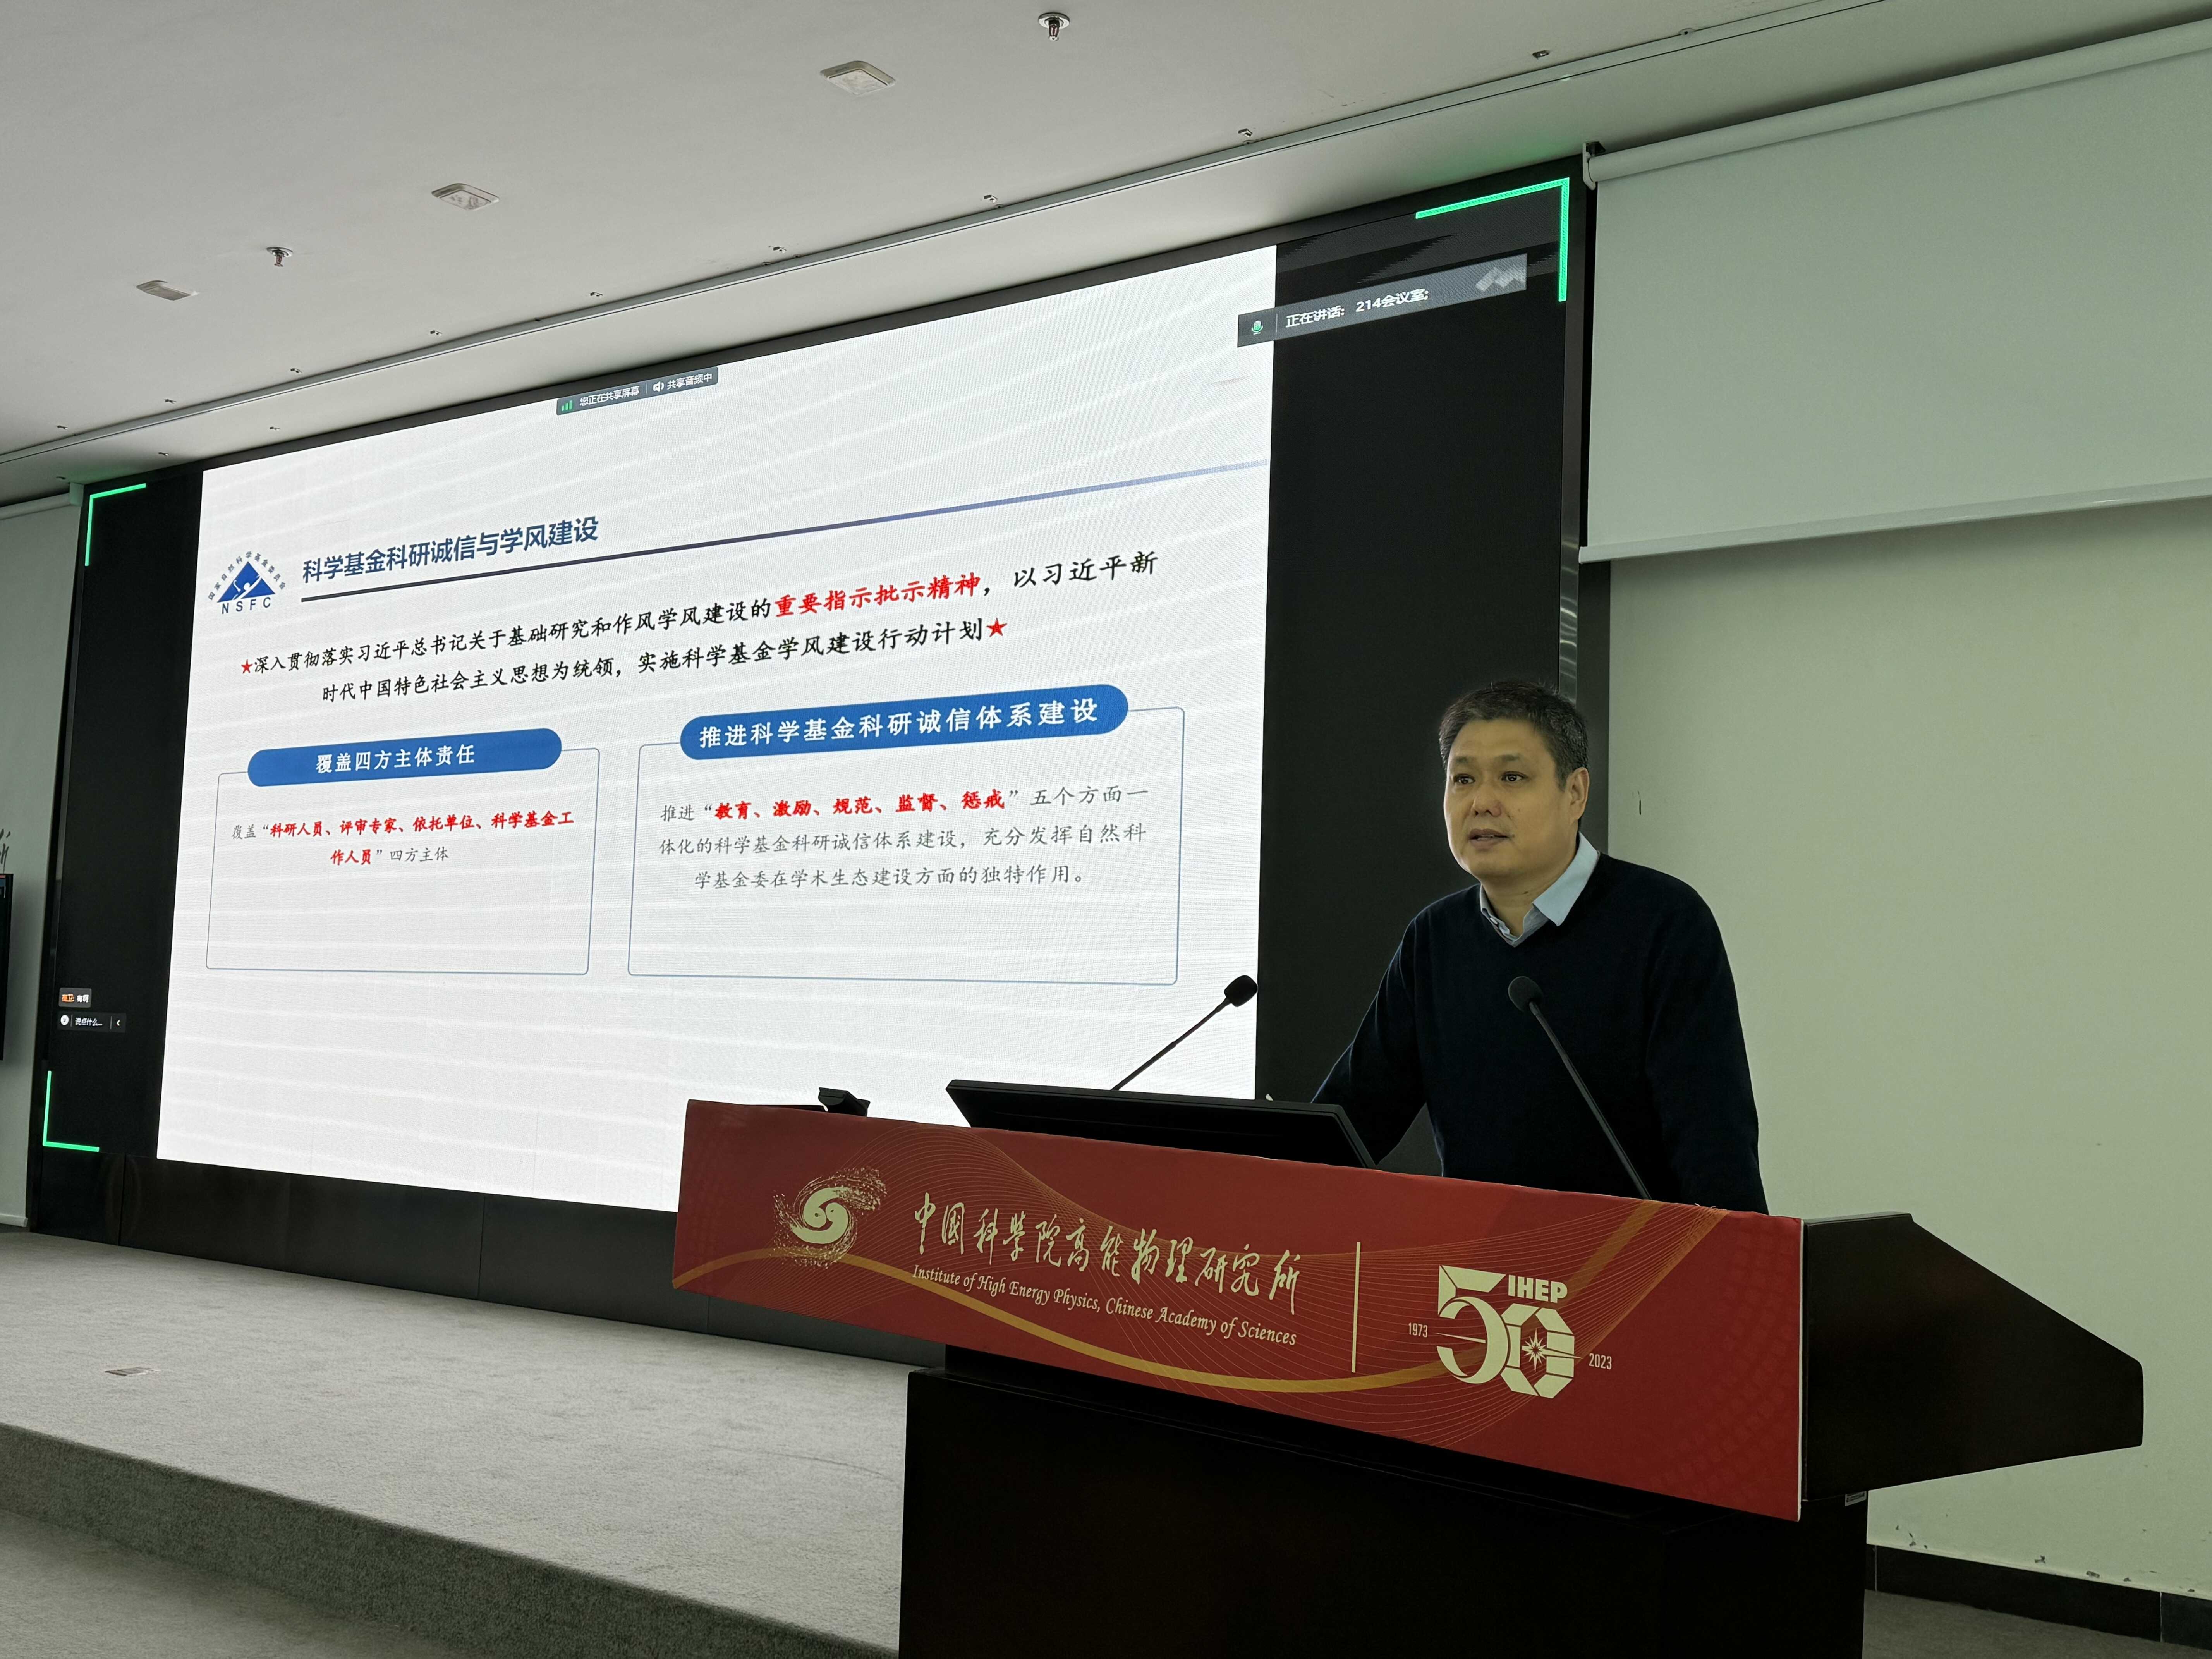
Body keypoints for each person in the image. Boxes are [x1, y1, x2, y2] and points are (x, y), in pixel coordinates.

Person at [1316, 680, 1767, 1212]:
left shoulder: (1663, 921)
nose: (1482, 803)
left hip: (1633, 1256)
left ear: (1575, 794)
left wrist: (1739, 1258)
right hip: (1480, 1261)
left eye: (1512, 778)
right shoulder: (1434, 939)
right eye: (1463, 779)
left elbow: (1714, 1144)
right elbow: (1349, 1123)